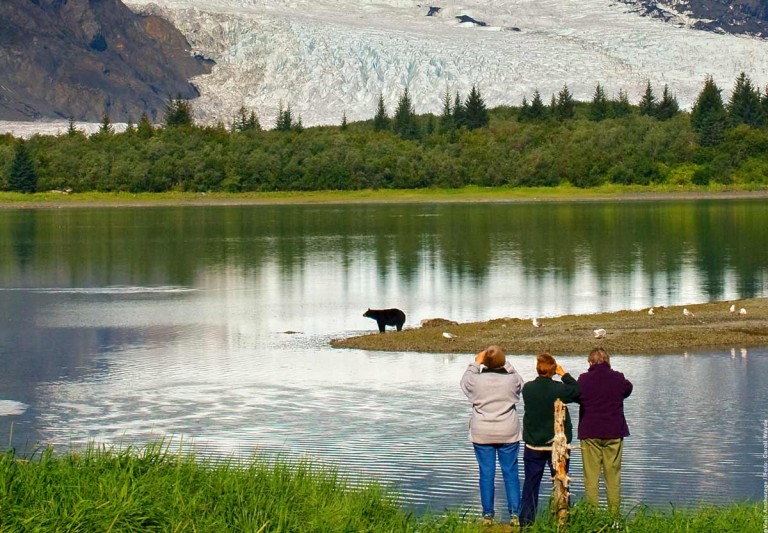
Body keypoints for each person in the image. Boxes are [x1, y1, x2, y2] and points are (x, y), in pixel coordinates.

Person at [460, 345, 524, 528]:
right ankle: (514, 515)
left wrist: (475, 363)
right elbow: (521, 382)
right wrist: (506, 363)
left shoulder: (475, 381)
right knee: (511, 473)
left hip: (482, 432)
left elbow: (463, 381)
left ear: (484, 363)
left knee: (486, 473)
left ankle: (487, 515)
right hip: (508, 432)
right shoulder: (512, 380)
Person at [519, 352, 580, 527]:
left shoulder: (528, 388)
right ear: (553, 370)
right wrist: (565, 374)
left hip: (534, 445)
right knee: (561, 483)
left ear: (537, 369)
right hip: (558, 446)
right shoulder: (560, 389)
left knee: (530, 485)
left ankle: (526, 524)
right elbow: (577, 391)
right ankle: (562, 522)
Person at [577, 347, 633, 514]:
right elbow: (628, 389)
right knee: (613, 477)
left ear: (590, 362)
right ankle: (614, 517)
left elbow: (576, 395)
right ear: (608, 362)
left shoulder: (583, 379)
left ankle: (592, 515)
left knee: (591, 478)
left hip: (590, 433)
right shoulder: (618, 378)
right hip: (614, 432)